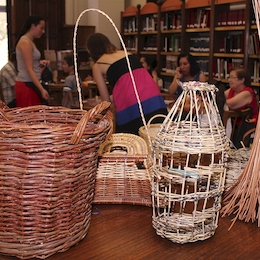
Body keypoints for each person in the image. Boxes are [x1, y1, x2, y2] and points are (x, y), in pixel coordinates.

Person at [86, 33, 167, 135]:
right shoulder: (126, 53)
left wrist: (99, 103)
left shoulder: (97, 66)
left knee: (131, 141)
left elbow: (106, 102)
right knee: (157, 136)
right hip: (154, 96)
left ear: (91, 50)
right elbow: (132, 86)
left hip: (132, 105)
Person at [14, 15, 49, 107]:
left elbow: (30, 64)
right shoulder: (25, 42)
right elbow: (29, 69)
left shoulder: (30, 42)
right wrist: (41, 89)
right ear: (33, 26)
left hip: (31, 83)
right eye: (41, 28)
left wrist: (39, 64)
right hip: (26, 84)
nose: (43, 31)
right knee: (30, 118)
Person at [224, 67, 258, 147]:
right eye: (229, 77)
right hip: (234, 127)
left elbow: (228, 103)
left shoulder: (247, 92)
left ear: (242, 80)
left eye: (232, 77)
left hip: (246, 129)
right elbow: (220, 97)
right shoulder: (232, 90)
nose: (229, 80)